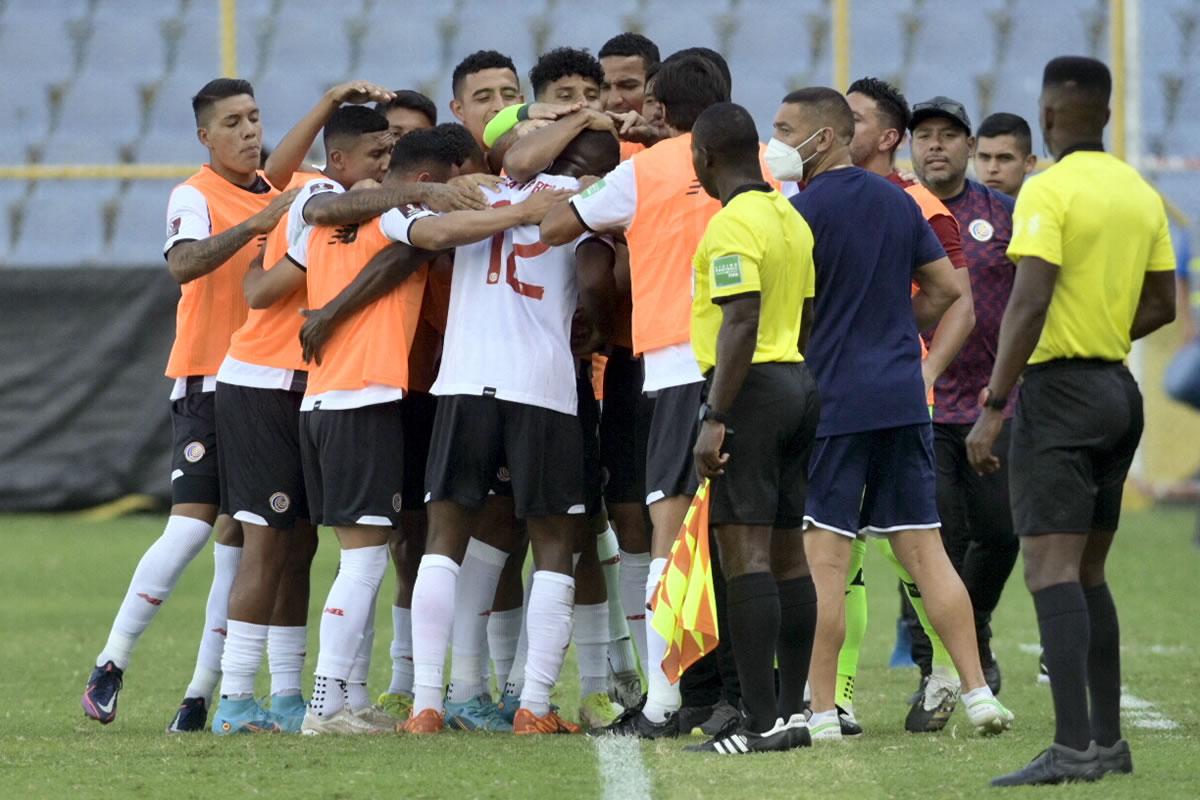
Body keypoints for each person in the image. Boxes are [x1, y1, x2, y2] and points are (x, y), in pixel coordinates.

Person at [291, 128, 565, 735]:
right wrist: (519, 212)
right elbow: (434, 236)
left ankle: (343, 700)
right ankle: (323, 709)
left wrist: (331, 311)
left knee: (358, 559)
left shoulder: (322, 214)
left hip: (322, 399)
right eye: (376, 155)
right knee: (364, 564)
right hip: (364, 396)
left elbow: (343, 231)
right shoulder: (397, 215)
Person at [772, 87, 1012, 742]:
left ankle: (823, 711)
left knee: (825, 562)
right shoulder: (899, 202)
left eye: (786, 129)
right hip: (903, 397)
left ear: (823, 138)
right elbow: (948, 289)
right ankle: (978, 692)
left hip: (833, 400)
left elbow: (788, 310)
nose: (778, 142)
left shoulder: (797, 213)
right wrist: (895, 330)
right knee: (927, 553)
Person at [968, 56, 1177, 787]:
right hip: (1118, 390)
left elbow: (1028, 301)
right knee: (1089, 572)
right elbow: (1164, 304)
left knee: (1049, 570)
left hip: (1059, 396)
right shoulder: (1138, 191)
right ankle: (1107, 743)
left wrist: (994, 405)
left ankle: (1071, 748)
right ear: (1108, 116)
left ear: (1048, 116)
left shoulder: (1048, 190)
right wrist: (1104, 332)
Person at [81, 78, 297, 733]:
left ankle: (200, 697)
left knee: (242, 540)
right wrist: (256, 224)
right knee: (192, 526)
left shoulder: (282, 188)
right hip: (209, 379)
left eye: (254, 117)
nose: (249, 130)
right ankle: (112, 662)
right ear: (205, 136)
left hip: (266, 383)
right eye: (232, 122)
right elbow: (183, 264)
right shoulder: (194, 194)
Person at [541, 54, 734, 739]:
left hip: (678, 362)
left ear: (659, 109)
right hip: (753, 364)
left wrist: (599, 199)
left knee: (668, 534)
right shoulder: (764, 162)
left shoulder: (643, 172)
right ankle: (746, 694)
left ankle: (663, 702)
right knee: (744, 537)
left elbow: (558, 227)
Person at [404, 129, 617, 735]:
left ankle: (426, 704)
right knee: (554, 543)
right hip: (541, 385)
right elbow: (596, 280)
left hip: (463, 379)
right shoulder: (585, 198)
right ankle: (535, 706)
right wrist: (599, 328)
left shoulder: (479, 191)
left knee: (443, 539)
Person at [820, 77, 975, 734]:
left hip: (894, 397)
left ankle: (948, 671)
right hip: (842, 393)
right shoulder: (823, 195)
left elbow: (959, 300)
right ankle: (839, 697)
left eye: (853, 118)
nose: (839, 125)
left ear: (886, 137)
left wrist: (921, 367)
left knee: (902, 547)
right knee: (846, 551)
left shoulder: (916, 204)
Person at [684, 102, 819, 755]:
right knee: (789, 553)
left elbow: (740, 319)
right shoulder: (790, 217)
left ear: (705, 157)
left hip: (750, 390)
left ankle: (759, 722)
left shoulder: (732, 223)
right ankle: (792, 713)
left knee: (746, 555)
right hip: (795, 379)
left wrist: (716, 415)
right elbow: (807, 313)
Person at [907, 95, 1020, 705]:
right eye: (924, 134)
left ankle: (973, 628)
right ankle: (935, 670)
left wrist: (1010, 385)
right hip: (920, 404)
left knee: (1001, 533)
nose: (936, 145)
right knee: (933, 542)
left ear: (969, 147)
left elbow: (1033, 299)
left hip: (992, 403)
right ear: (909, 144)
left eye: (948, 135)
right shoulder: (898, 209)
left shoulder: (1004, 216)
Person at [973, 112, 1037, 198]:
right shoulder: (956, 206)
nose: (992, 169)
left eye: (1004, 158)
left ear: (1029, 163)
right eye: (984, 157)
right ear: (974, 159)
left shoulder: (1046, 206)